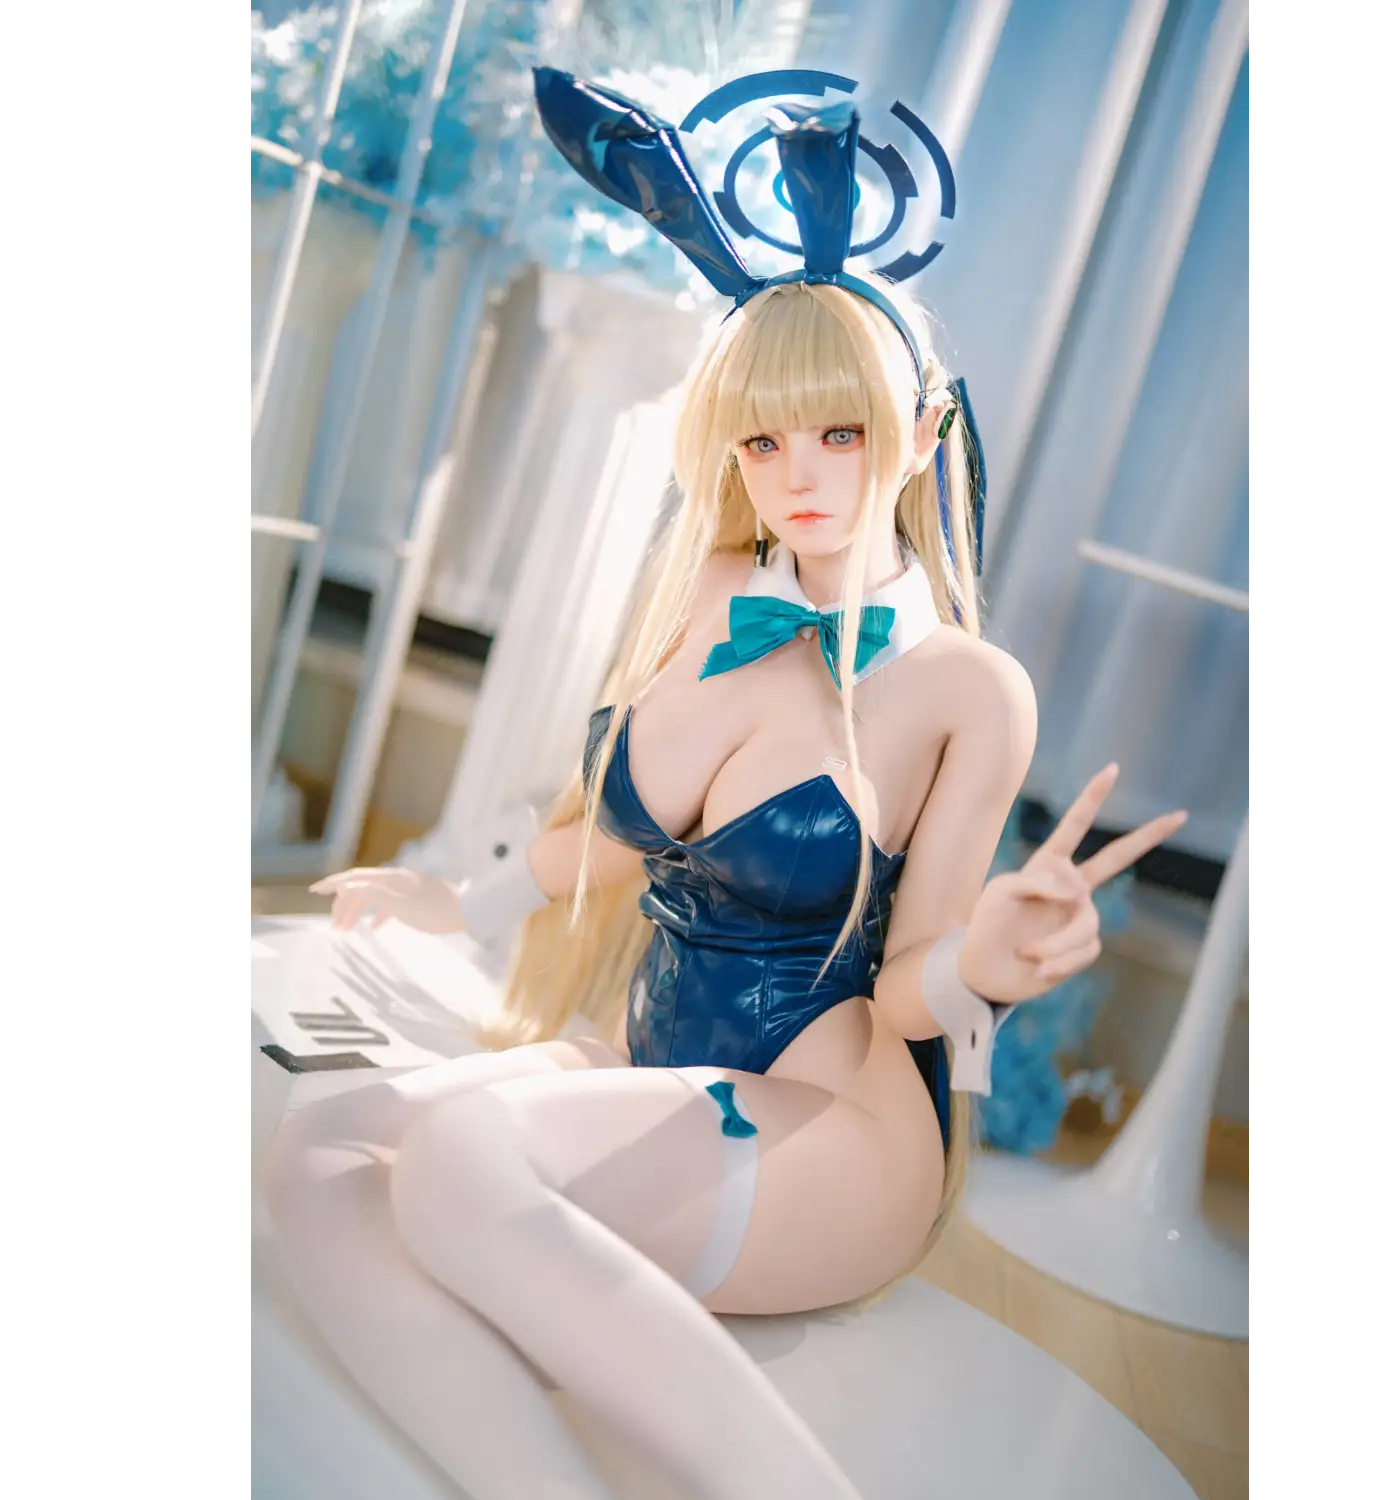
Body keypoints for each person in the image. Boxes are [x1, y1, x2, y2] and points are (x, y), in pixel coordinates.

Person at [264, 71, 1187, 1500]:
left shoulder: (966, 689)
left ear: (918, 437)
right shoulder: (709, 592)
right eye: (765, 439)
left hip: (834, 1124)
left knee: (456, 1163)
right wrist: (462, 898)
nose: (799, 474)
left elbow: (905, 994)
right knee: (321, 1149)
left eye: (841, 432)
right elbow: (624, 840)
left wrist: (988, 968)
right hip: (656, 1064)